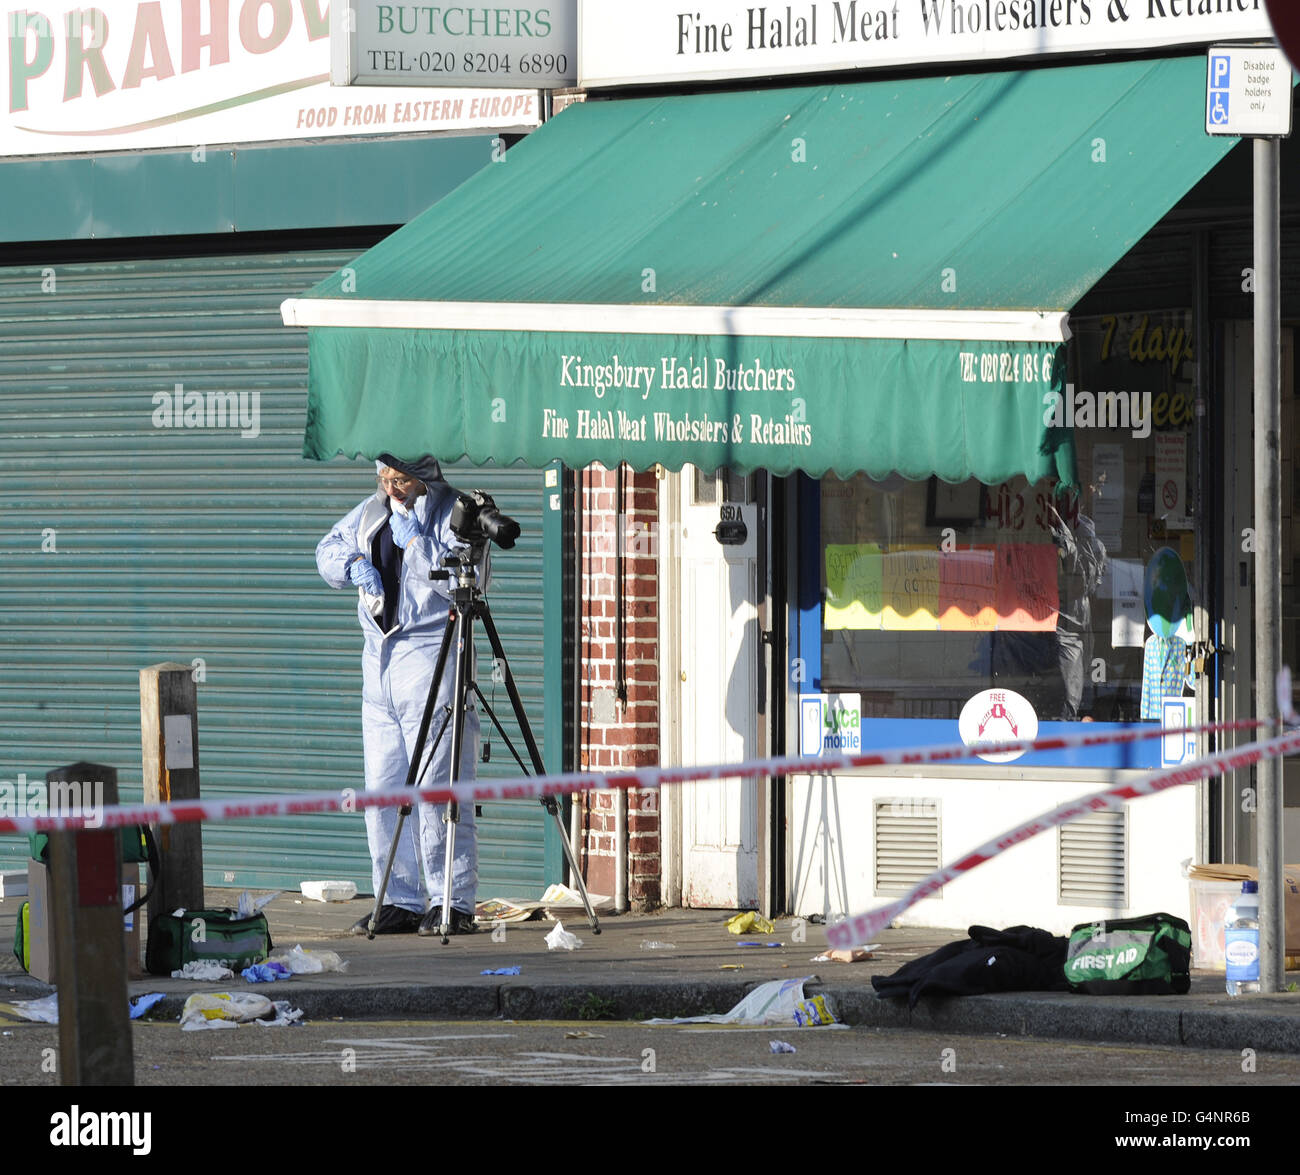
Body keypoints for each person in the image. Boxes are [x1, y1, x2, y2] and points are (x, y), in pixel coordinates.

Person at [316, 454, 482, 935]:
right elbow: (326, 548)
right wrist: (351, 565)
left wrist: (418, 544)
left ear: (425, 479)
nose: (392, 489)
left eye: (401, 480)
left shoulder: (455, 512)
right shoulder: (371, 511)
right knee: (383, 791)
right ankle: (399, 900)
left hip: (431, 656)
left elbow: (466, 582)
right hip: (379, 664)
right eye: (384, 479)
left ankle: (451, 899)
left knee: (436, 790)